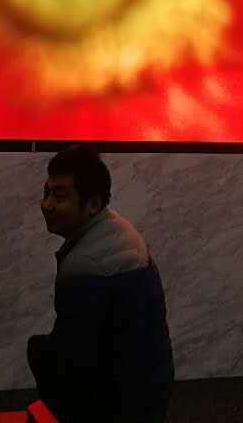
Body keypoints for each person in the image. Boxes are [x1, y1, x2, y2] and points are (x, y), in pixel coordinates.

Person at [29, 145, 174, 423]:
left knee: (38, 351)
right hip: (150, 389)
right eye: (46, 193)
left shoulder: (88, 267)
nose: (46, 205)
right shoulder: (116, 228)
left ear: (93, 204)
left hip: (121, 405)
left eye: (59, 196)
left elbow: (72, 361)